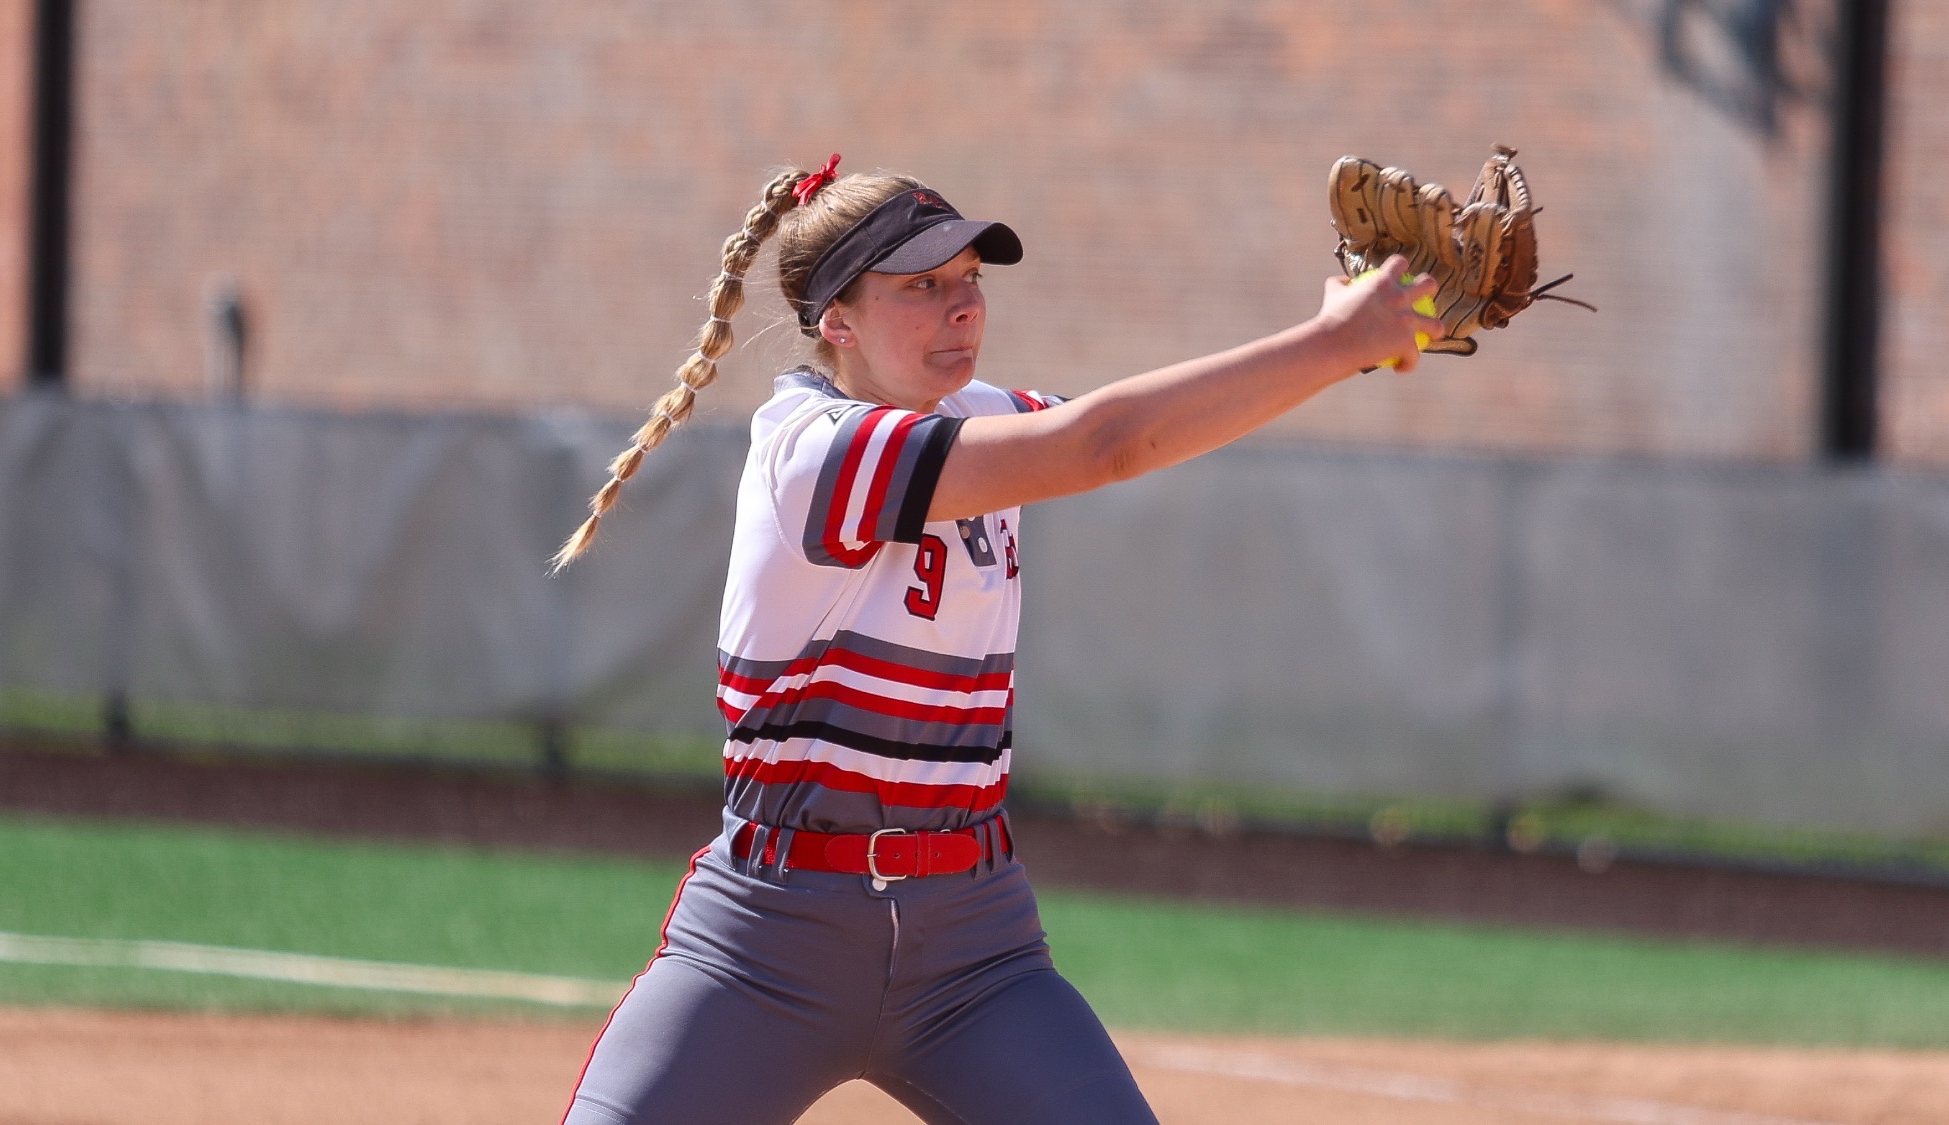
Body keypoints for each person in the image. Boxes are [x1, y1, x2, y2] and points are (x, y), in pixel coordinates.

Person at [550, 154, 1440, 1125]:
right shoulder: (813, 450)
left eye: (970, 278)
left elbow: (1144, 429)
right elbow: (1103, 445)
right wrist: (1325, 343)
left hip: (972, 953)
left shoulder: (984, 418)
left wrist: (1348, 343)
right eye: (921, 285)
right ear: (834, 321)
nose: (962, 305)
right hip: (769, 943)